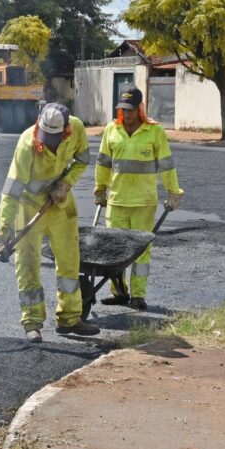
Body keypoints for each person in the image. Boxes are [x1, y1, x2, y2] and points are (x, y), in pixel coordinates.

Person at [0, 103, 99, 343]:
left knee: (69, 262)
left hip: (60, 203)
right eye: (46, 136)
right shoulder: (27, 144)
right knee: (28, 264)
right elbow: (11, 192)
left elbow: (82, 159)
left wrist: (65, 183)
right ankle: (32, 322)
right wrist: (3, 234)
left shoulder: (77, 128)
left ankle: (70, 318)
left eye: (54, 138)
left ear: (65, 132)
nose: (49, 142)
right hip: (28, 204)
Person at [94, 87, 184, 310]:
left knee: (141, 251)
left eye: (131, 109)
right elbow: (103, 162)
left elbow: (166, 165)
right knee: (114, 250)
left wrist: (173, 191)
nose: (127, 114)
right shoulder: (111, 130)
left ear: (140, 109)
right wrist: (100, 189)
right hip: (116, 201)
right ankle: (118, 292)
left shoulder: (154, 132)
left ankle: (138, 295)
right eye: (122, 109)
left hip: (143, 203)